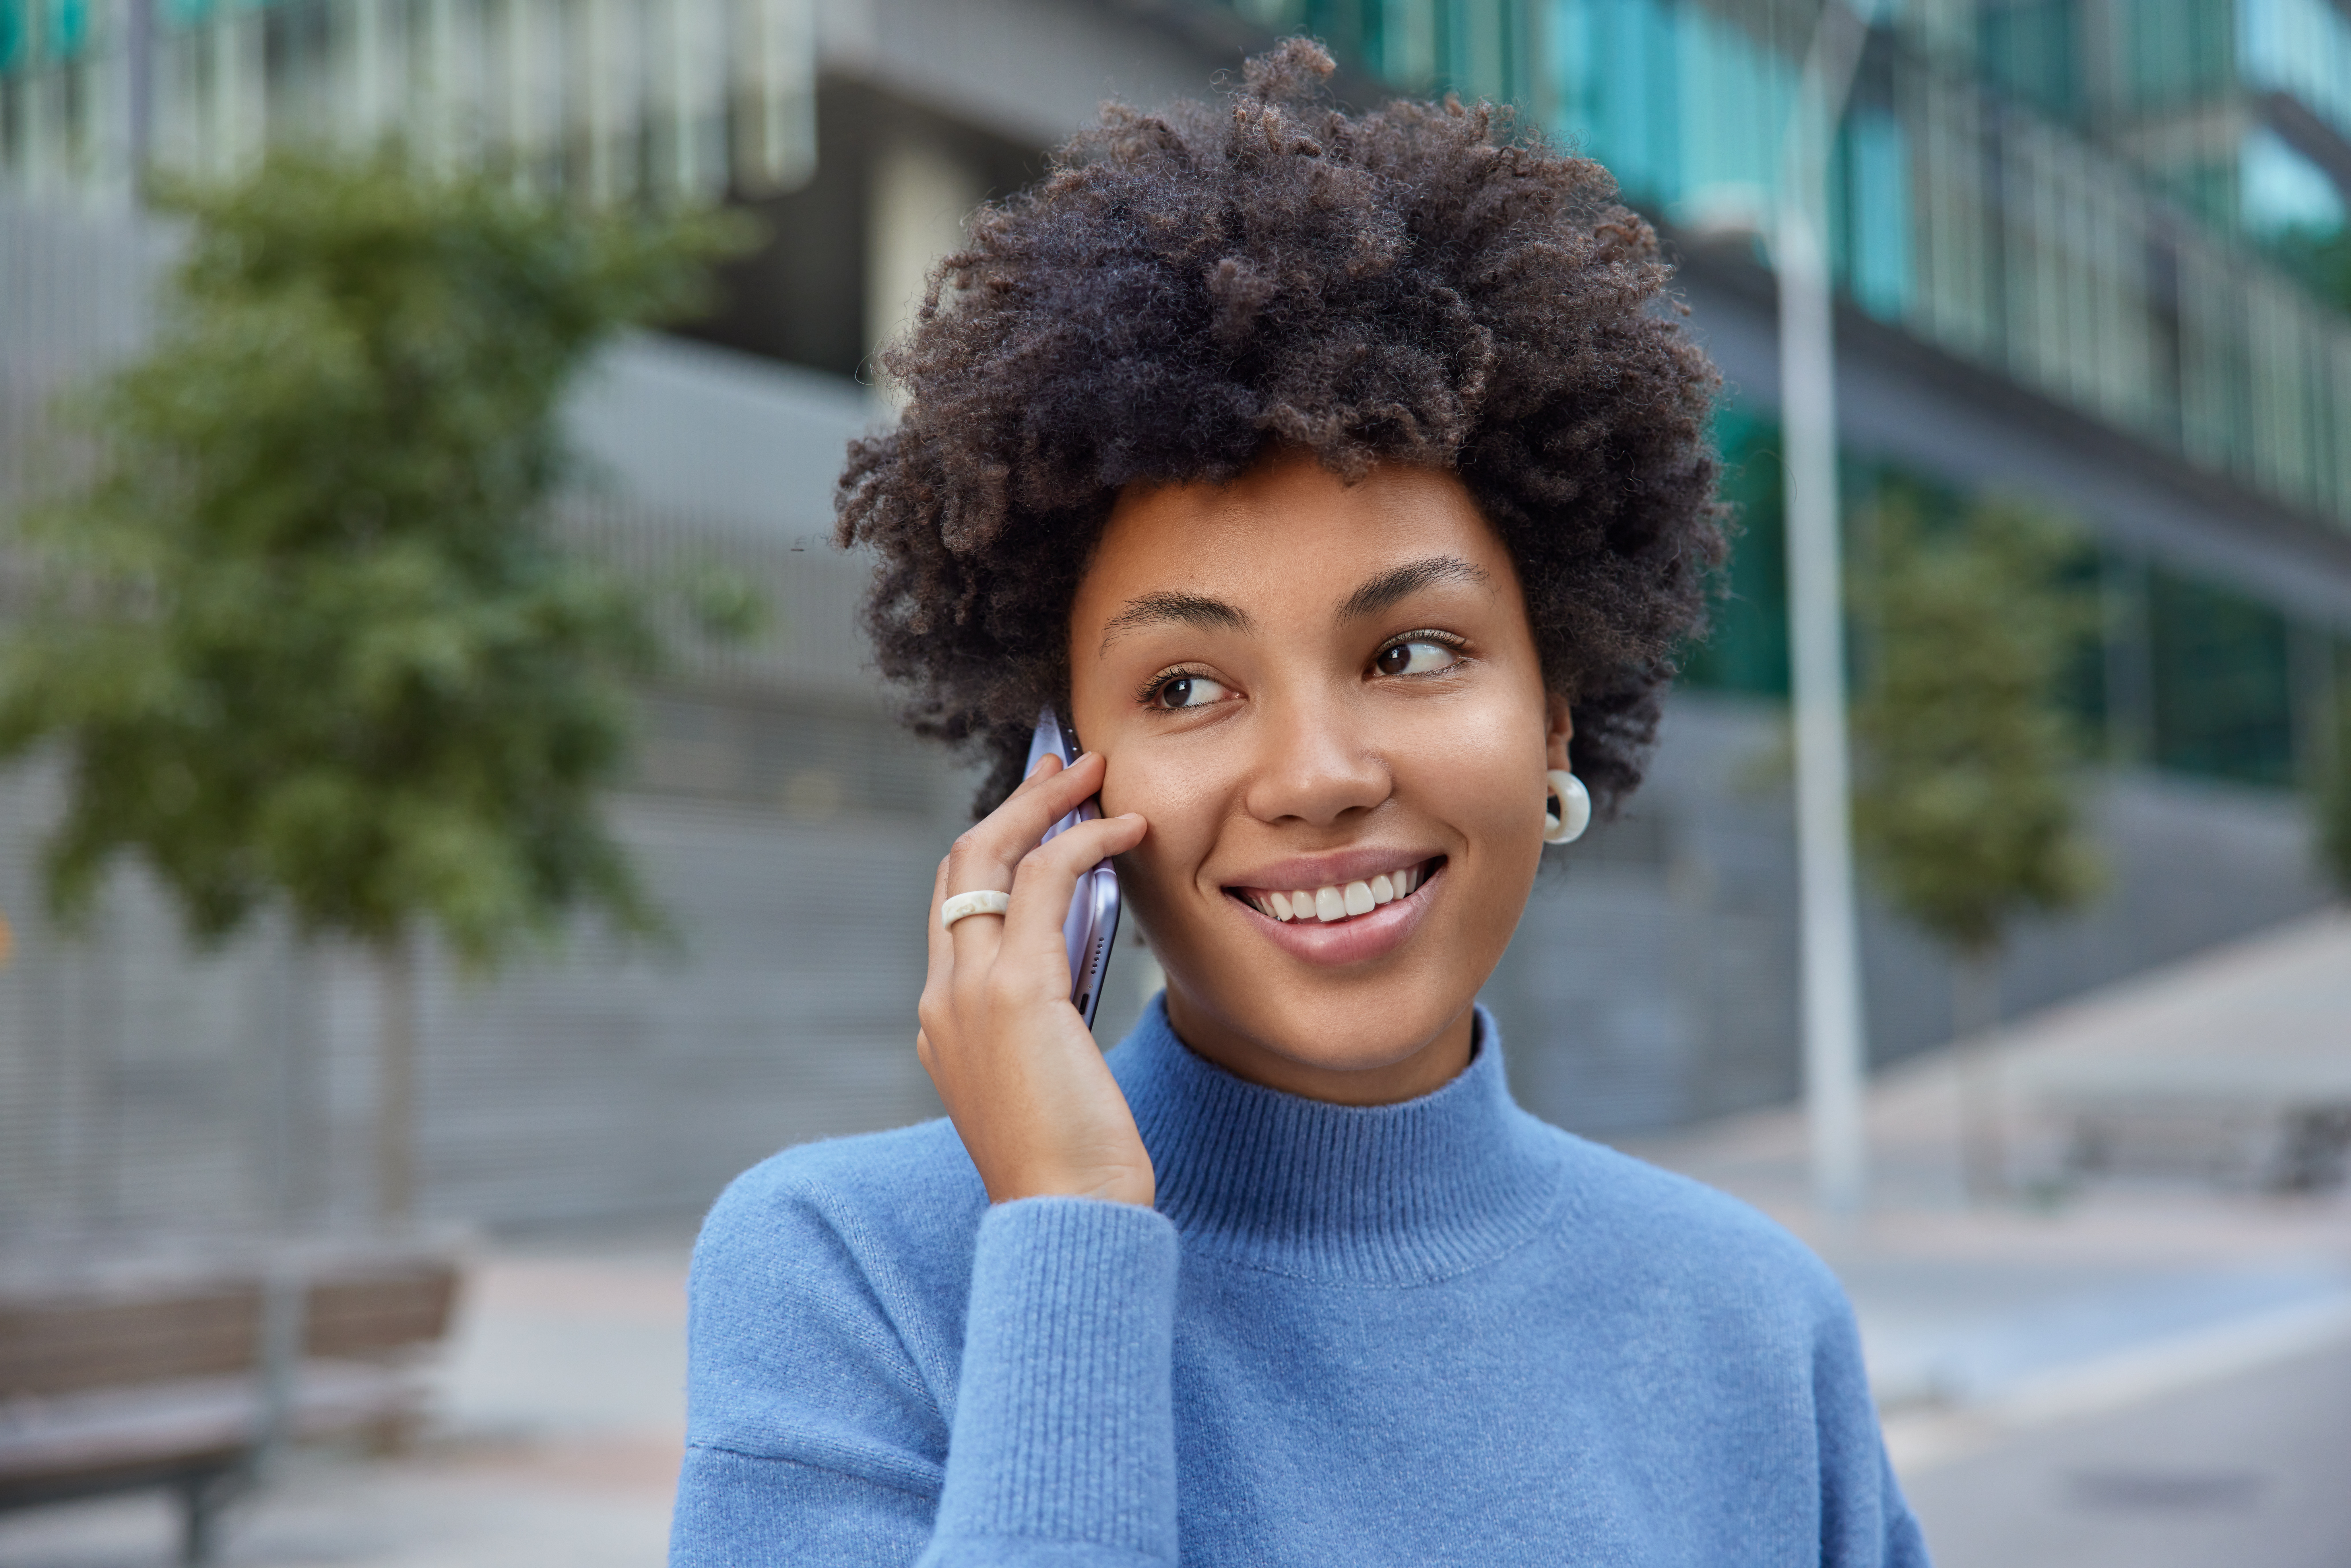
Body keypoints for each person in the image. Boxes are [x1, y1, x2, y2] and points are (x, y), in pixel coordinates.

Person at [669, 39, 1930, 1568]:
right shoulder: (852, 1276)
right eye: (1185, 686)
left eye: (1414, 652)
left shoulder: (1757, 1328)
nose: (1322, 777)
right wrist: (1069, 1228)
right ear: (1057, 767)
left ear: (1553, 713)